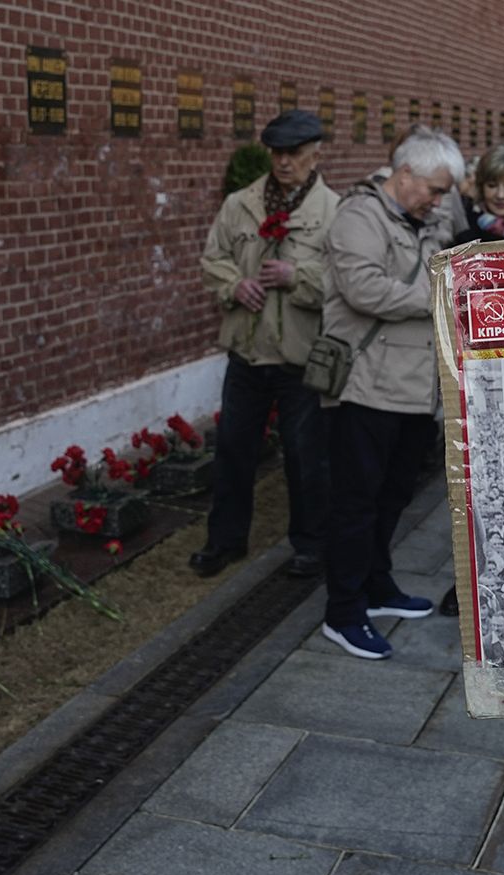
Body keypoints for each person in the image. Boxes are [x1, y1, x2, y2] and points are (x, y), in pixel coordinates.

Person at [316, 129, 463, 659]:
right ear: (405, 175)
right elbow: (364, 288)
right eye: (436, 189)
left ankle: (377, 586)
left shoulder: (431, 219)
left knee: (392, 496)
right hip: (367, 387)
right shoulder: (359, 216)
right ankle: (344, 611)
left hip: (415, 389)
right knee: (356, 504)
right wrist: (441, 294)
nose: (441, 200)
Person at [192, 110, 340, 578]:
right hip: (247, 352)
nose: (283, 162)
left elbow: (344, 279)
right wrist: (234, 284)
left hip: (301, 357)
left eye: (294, 153)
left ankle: (312, 545)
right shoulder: (240, 204)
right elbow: (212, 258)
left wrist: (300, 276)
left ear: (317, 153)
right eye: (276, 153)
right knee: (234, 451)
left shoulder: (334, 211)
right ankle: (225, 541)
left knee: (305, 458)